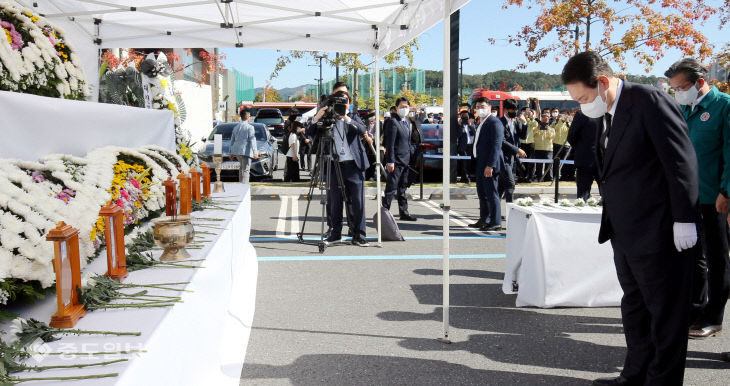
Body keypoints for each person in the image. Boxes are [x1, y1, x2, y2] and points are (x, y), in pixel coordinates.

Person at [563, 51, 699, 386]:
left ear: (604, 82)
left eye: (583, 97)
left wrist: (684, 218)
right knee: (635, 306)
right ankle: (635, 373)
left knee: (664, 312)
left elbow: (680, 161)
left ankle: (662, 380)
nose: (582, 105)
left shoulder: (648, 101)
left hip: (658, 228)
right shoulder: (607, 111)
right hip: (625, 230)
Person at [666, 58, 730, 342]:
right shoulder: (683, 108)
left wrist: (726, 191)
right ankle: (696, 308)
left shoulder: (723, 106)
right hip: (687, 196)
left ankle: (713, 316)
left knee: (718, 259)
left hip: (715, 197)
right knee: (693, 256)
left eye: (682, 87)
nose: (678, 93)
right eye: (674, 89)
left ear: (700, 82)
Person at [310, 90, 370, 246]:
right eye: (339, 102)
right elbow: (310, 132)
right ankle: (335, 233)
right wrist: (318, 115)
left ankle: (359, 235)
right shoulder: (328, 118)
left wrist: (347, 118)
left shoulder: (354, 117)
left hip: (354, 165)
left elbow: (363, 130)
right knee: (335, 201)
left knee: (358, 202)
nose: (342, 105)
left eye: (346, 102)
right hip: (334, 165)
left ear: (349, 104)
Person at [470, 97, 504, 232]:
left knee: (491, 193)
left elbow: (496, 145)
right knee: (482, 193)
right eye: (478, 107)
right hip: (480, 163)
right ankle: (484, 219)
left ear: (490, 107)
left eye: (483, 106)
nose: (480, 109)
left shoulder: (494, 122)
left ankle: (495, 221)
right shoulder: (482, 122)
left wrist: (490, 165)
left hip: (489, 165)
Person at [383, 97, 417, 222]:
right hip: (396, 161)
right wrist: (390, 161)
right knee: (391, 188)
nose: (404, 109)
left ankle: (404, 212)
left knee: (402, 188)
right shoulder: (393, 122)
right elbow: (390, 144)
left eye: (406, 107)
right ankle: (384, 212)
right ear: (396, 108)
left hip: (406, 160)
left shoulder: (407, 121)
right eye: (401, 107)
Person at [566, 110, 600, 201]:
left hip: (585, 157)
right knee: (607, 194)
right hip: (604, 158)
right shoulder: (609, 113)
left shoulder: (582, 114)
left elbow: (571, 136)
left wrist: (581, 148)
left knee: (583, 195)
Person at [498, 98, 527, 202]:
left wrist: (524, 124)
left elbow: (523, 136)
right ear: (505, 110)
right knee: (510, 185)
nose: (515, 112)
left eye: (516, 110)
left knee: (500, 187)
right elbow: (502, 141)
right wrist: (517, 150)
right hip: (502, 157)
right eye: (512, 110)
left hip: (512, 158)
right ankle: (510, 212)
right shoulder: (499, 122)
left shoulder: (516, 121)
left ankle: (490, 213)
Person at [229, 109, 258, 184]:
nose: (250, 117)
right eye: (250, 116)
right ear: (248, 116)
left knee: (241, 168)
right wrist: (255, 151)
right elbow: (252, 139)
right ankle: (244, 187)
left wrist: (231, 153)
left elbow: (232, 141)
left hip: (237, 151)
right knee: (246, 170)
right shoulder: (250, 127)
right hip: (246, 152)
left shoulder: (236, 127)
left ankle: (240, 186)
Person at [533, 110, 555, 181]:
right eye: (543, 118)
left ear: (549, 120)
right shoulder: (536, 127)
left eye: (547, 118)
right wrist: (537, 129)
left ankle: (548, 178)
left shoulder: (552, 129)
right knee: (539, 165)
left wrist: (548, 130)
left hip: (548, 149)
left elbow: (552, 137)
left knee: (548, 165)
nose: (545, 119)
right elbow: (533, 135)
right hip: (538, 148)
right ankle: (539, 177)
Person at [457, 110, 476, 184]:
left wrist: (470, 125)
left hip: (471, 146)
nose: (465, 117)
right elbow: (459, 135)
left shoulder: (471, 124)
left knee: (469, 163)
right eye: (463, 116)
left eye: (466, 116)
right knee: (464, 163)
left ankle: (464, 177)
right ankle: (467, 178)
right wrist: (460, 125)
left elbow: (475, 132)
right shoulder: (459, 125)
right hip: (463, 146)